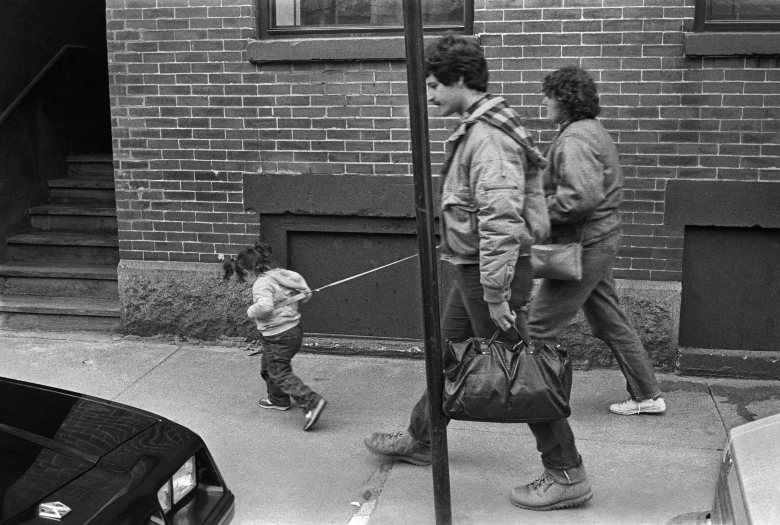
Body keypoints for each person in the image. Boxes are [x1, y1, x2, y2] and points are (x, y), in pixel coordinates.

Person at [364, 34, 593, 511]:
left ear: (461, 80)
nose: (428, 96)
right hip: (474, 269)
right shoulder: (480, 127)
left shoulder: (488, 138)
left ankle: (566, 471)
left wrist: (495, 292)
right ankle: (423, 437)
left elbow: (501, 219)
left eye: (433, 86)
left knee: (522, 371)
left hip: (490, 276)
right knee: (445, 355)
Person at [528, 65, 666, 417]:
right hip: (597, 240)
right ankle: (647, 394)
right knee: (610, 321)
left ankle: (535, 402)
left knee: (540, 325)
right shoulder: (590, 131)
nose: (544, 102)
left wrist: (538, 211)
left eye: (549, 95)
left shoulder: (575, 138)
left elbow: (579, 199)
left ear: (564, 100)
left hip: (585, 245)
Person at [223, 241, 327, 431]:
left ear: (247, 273)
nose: (245, 283)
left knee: (279, 372)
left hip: (279, 335)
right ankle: (278, 399)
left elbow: (264, 307)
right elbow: (303, 290)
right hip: (292, 331)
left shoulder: (261, 284)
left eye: (243, 279)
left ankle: (311, 401)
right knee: (268, 368)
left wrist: (250, 311)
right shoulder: (278, 275)